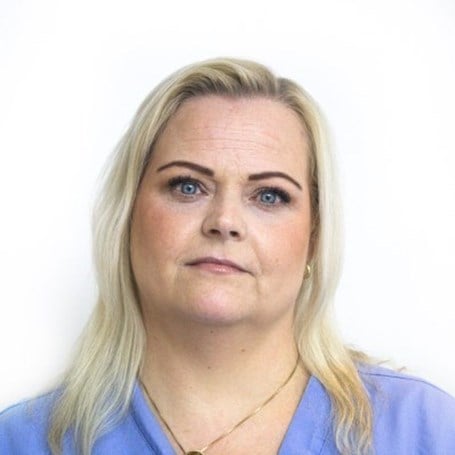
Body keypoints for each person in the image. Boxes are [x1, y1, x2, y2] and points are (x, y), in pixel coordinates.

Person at [1, 57, 454, 455]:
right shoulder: (20, 442)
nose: (224, 221)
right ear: (127, 216)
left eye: (270, 195)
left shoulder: (427, 432)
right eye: (187, 186)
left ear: (315, 236)